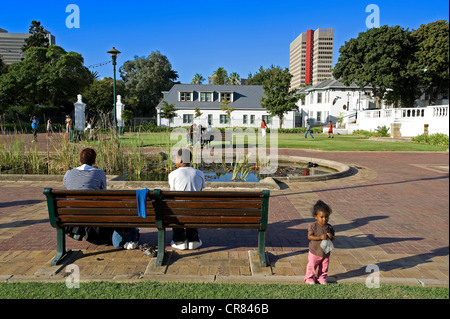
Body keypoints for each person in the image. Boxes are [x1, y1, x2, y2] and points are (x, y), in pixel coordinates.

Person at [63, 148, 139, 248]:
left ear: (79, 160)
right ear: (94, 161)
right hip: (93, 215)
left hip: (72, 215)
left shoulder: (69, 173)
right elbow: (103, 194)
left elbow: (67, 185)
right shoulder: (99, 173)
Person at [168, 148, 205, 250]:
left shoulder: (173, 175)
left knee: (175, 208)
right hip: (195, 211)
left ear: (180, 160)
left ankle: (179, 241)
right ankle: (194, 240)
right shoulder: (200, 173)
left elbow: (173, 194)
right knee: (193, 206)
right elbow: (200, 192)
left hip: (179, 211)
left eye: (175, 159)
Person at [304, 200, 335, 284]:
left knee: (324, 266)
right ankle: (309, 278)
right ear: (315, 216)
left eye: (326, 217)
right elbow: (309, 236)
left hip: (325, 251)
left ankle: (321, 277)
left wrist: (331, 237)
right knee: (312, 265)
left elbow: (333, 238)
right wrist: (320, 237)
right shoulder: (313, 226)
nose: (324, 219)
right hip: (314, 251)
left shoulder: (329, 227)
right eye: (321, 217)